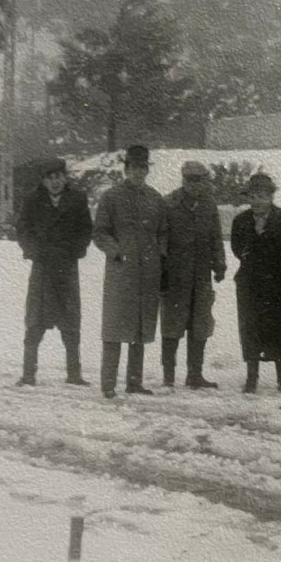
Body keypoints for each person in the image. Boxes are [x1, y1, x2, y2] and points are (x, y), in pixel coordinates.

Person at [93, 144, 168, 398]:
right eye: (134, 167)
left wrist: (159, 252)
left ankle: (134, 382)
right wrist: (115, 251)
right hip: (121, 272)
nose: (138, 172)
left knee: (140, 327)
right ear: (126, 169)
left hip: (148, 272)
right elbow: (100, 232)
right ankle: (108, 384)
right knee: (114, 328)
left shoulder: (155, 198)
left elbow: (163, 232)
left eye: (143, 168)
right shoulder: (111, 197)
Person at [15, 157, 94, 386]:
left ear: (64, 177)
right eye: (50, 178)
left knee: (70, 321)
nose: (55, 182)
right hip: (42, 268)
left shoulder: (77, 199)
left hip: (67, 268)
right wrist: (33, 251)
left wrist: (77, 250)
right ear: (43, 181)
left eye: (58, 177)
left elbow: (86, 229)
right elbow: (23, 229)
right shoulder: (32, 200)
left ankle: (74, 373)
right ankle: (28, 374)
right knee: (35, 321)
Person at [159, 161, 227, 389]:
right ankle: (169, 376)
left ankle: (194, 374)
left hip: (201, 276)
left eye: (199, 180)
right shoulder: (169, 204)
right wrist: (162, 271)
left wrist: (220, 264)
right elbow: (161, 240)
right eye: (190, 180)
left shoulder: (209, 205)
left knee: (200, 324)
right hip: (175, 276)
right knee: (172, 325)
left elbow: (216, 237)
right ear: (183, 180)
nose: (194, 184)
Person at [230, 172, 281, 394]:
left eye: (262, 196)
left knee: (280, 330)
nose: (257, 201)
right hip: (250, 284)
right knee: (250, 329)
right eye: (253, 196)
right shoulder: (240, 221)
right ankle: (252, 377)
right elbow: (238, 249)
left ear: (271, 197)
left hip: (278, 285)